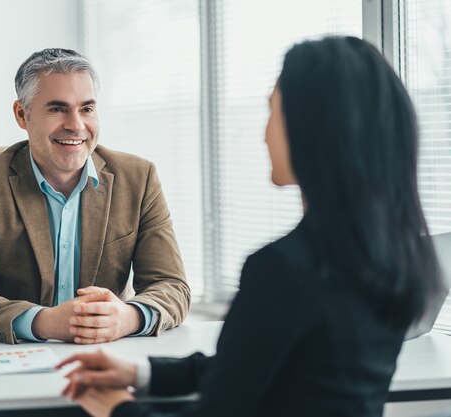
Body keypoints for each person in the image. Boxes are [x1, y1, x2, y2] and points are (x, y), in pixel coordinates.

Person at [56, 36, 447, 417]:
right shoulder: (388, 257)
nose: (263, 134)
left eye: (273, 111)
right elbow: (260, 365)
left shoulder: (283, 270)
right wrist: (142, 373)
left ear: (312, 129)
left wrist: (116, 408)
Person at [0, 48, 190, 345]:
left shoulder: (138, 178)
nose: (75, 125)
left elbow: (172, 286)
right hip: (15, 360)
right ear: (22, 114)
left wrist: (128, 317)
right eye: (57, 109)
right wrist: (46, 323)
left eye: (86, 109)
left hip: (106, 359)